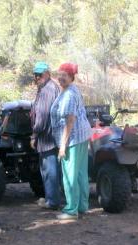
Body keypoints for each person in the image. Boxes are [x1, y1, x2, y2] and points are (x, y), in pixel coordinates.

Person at [50, 63, 92, 220]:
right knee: (81, 172)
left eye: (64, 75)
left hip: (73, 139)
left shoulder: (68, 95)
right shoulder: (72, 90)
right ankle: (82, 205)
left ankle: (71, 210)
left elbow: (70, 121)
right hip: (82, 136)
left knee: (69, 174)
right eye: (59, 74)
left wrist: (63, 145)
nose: (60, 78)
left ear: (71, 77)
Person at [30, 62, 61, 210]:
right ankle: (50, 198)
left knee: (49, 170)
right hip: (50, 136)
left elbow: (42, 117)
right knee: (49, 169)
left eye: (40, 74)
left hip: (47, 137)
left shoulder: (47, 90)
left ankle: (52, 201)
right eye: (35, 74)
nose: (37, 77)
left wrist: (34, 134)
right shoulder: (49, 87)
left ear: (47, 73)